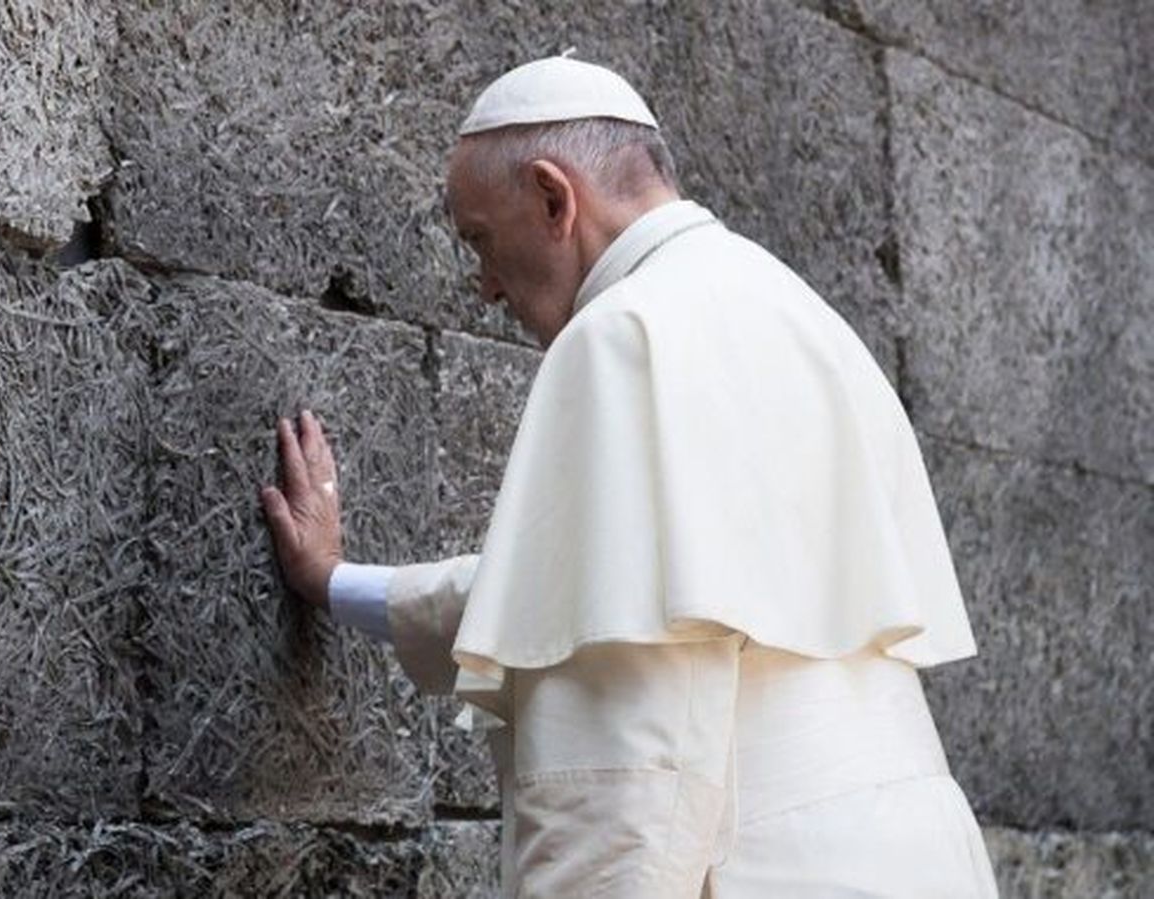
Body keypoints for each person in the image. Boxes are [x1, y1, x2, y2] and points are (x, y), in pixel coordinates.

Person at [260, 56, 998, 897]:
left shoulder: (621, 334)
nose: (486, 286)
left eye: (482, 241)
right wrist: (335, 580)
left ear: (553, 198)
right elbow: (589, 599)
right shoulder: (803, 315)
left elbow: (627, 747)